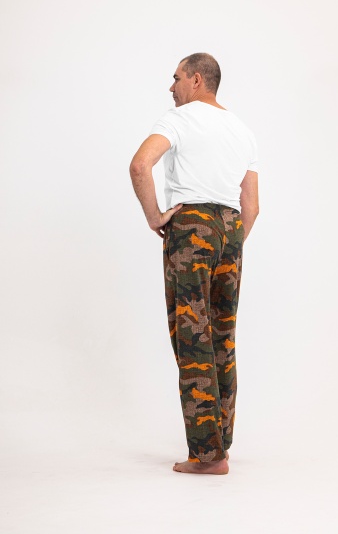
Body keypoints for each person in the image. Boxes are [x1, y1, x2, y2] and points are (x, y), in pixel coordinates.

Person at [129, 52, 259, 475]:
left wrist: (155, 217)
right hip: (231, 228)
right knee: (222, 336)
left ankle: (207, 457)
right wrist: (229, 242)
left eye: (176, 78)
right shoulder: (242, 130)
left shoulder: (179, 119)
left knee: (193, 337)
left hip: (191, 228)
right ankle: (222, 444)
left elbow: (140, 165)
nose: (171, 87)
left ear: (197, 80)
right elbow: (252, 206)